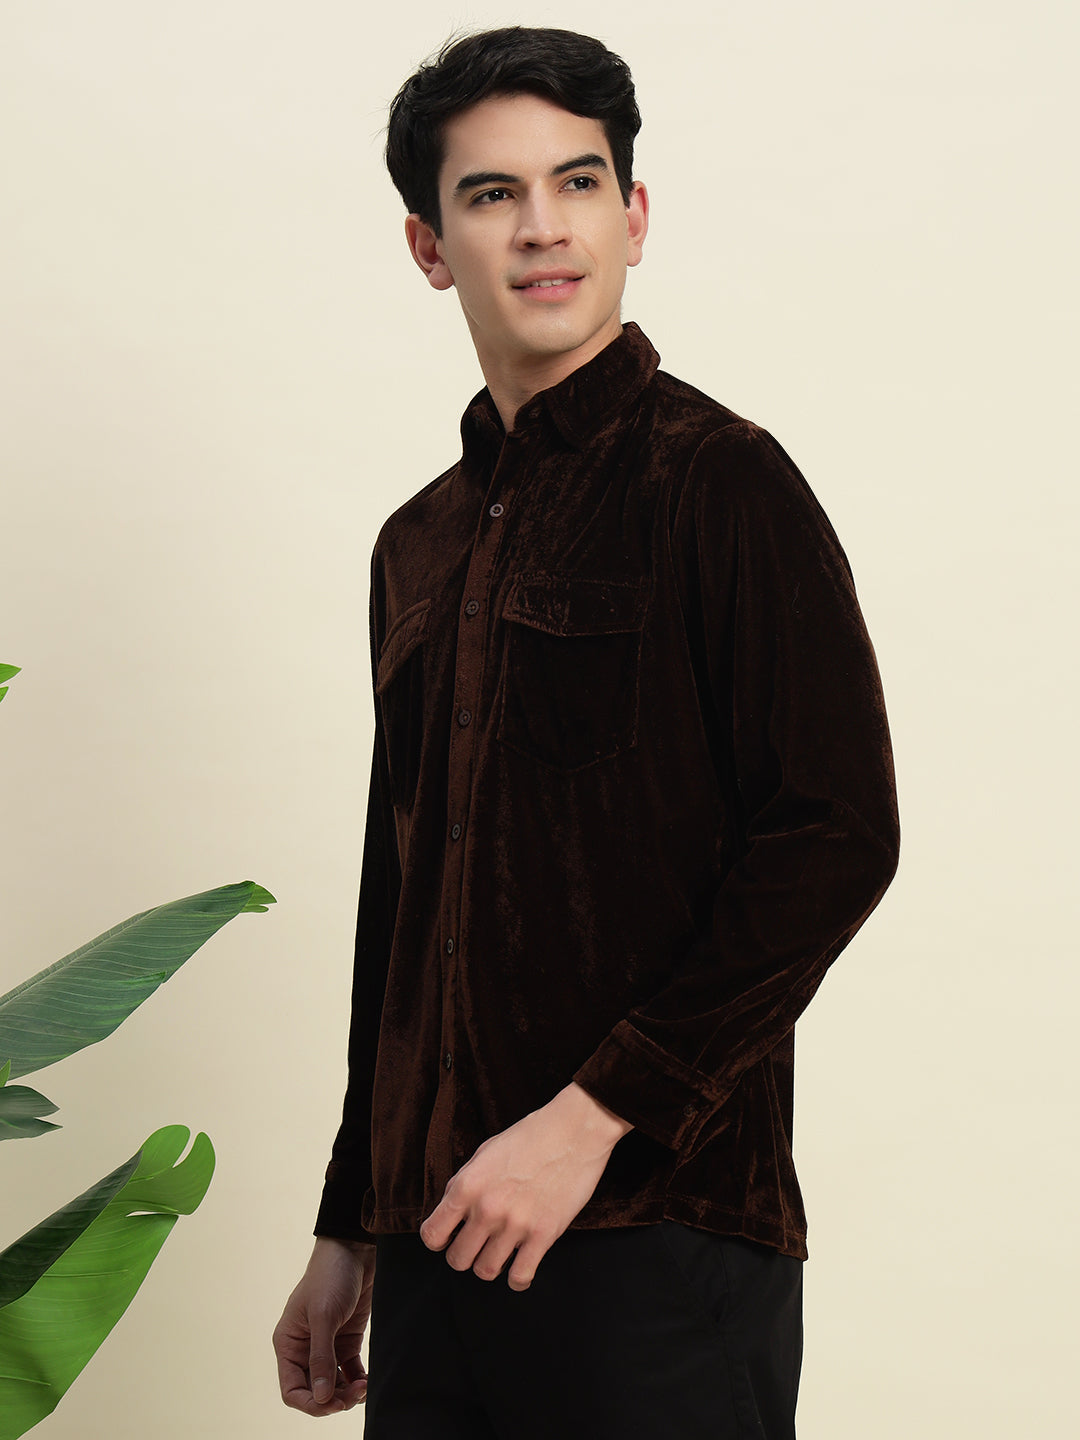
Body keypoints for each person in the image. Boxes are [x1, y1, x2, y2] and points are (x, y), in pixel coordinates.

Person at [273, 26, 899, 1439]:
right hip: (435, 1248)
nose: (543, 226)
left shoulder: (721, 481)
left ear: (635, 214)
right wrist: (351, 1221)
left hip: (656, 1237)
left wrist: (593, 1119)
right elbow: (400, 903)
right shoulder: (415, 545)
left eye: (578, 181)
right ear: (430, 246)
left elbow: (835, 834)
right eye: (492, 194)